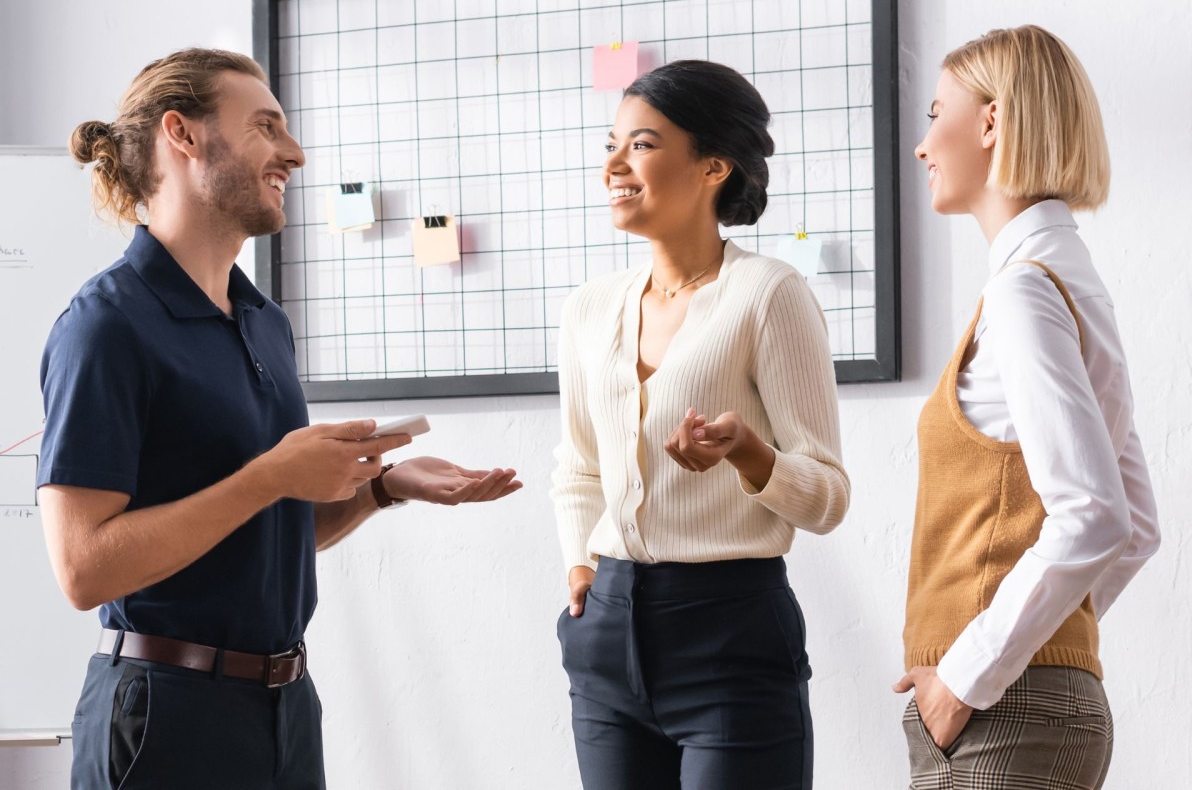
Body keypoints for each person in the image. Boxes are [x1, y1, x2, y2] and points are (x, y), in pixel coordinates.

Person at [40, 48, 520, 790]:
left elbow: (265, 532)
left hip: (286, 708)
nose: (293, 154)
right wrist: (269, 476)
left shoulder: (265, 323)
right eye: (266, 127)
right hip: (163, 718)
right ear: (184, 134)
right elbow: (82, 569)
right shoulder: (106, 326)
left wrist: (382, 489)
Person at [550, 60, 850, 790]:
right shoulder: (590, 307)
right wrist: (582, 568)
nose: (614, 165)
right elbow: (579, 467)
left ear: (713, 166)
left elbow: (830, 498)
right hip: (605, 638)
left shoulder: (769, 295)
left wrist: (749, 454)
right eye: (610, 143)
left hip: (731, 636)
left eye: (642, 145)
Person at [894, 25, 1160, 788]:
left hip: (996, 717)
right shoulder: (1066, 280)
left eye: (935, 112)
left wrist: (971, 672)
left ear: (991, 121)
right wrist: (1040, 641)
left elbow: (1099, 517)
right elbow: (1135, 521)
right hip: (1024, 705)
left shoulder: (1022, 292)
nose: (922, 145)